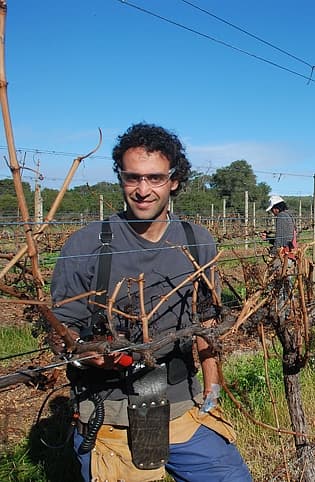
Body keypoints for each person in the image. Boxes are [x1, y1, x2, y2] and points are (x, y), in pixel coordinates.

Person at [51, 123, 252, 481]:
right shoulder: (85, 245)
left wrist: (212, 382)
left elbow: (206, 321)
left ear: (174, 180)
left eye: (155, 178)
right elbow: (62, 329)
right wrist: (90, 351)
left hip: (184, 412)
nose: (143, 190)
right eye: (133, 178)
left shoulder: (197, 241)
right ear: (120, 178)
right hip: (111, 419)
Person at [260, 194, 297, 259]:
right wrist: (268, 238)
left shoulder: (281, 216)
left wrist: (273, 253)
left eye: (272, 209)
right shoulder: (288, 214)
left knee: (274, 267)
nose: (272, 212)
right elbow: (284, 238)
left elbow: (279, 239)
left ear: (275, 208)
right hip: (290, 250)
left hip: (285, 254)